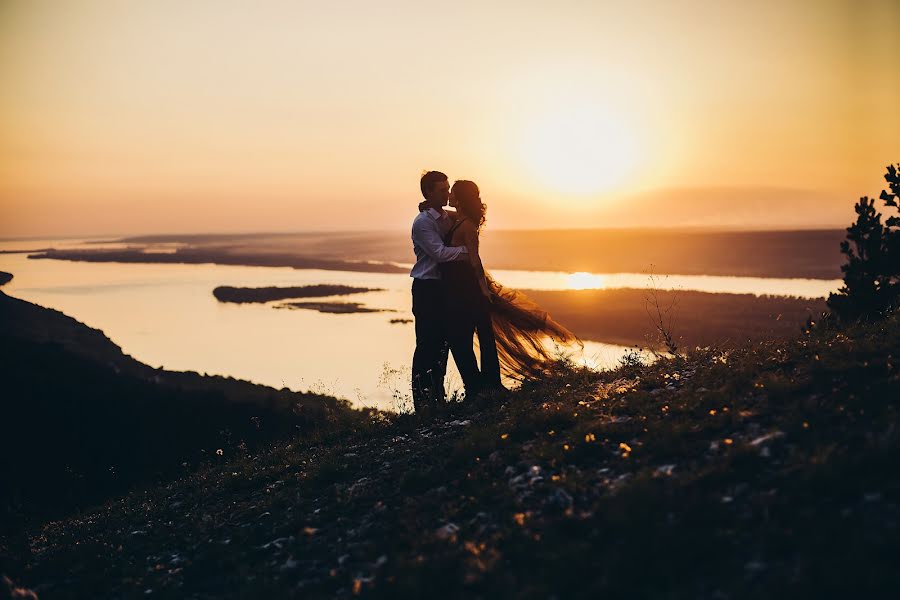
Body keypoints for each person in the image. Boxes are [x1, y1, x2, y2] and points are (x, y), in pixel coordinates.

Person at [443, 180, 581, 385]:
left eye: (453, 193)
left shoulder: (468, 227)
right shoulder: (460, 220)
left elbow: (475, 260)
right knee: (474, 336)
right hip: (461, 287)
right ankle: (483, 385)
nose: (449, 197)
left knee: (479, 336)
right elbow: (448, 214)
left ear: (461, 199)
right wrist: (430, 207)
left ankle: (486, 385)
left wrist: (483, 289)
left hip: (470, 287)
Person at [410, 170, 468, 414]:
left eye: (448, 189)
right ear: (428, 192)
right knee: (426, 344)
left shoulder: (446, 216)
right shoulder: (423, 222)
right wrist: (469, 252)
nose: (447, 193)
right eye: (442, 190)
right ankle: (422, 404)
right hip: (426, 288)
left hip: (443, 290)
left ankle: (438, 397)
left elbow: (468, 217)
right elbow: (440, 254)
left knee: (443, 344)